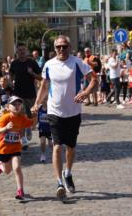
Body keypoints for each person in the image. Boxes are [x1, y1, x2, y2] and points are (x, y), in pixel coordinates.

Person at [31, 35, 97, 200]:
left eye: (64, 46)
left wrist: (86, 92)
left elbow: (94, 79)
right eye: (59, 47)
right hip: (54, 112)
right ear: (55, 48)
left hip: (73, 112)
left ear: (70, 47)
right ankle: (59, 182)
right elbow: (44, 85)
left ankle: (68, 172)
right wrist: (37, 103)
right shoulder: (49, 64)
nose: (61, 49)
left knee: (71, 147)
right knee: (57, 146)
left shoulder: (77, 63)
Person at [0, 96, 34, 201]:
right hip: (3, 149)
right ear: (8, 106)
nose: (16, 106)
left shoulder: (21, 118)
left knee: (17, 168)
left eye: (18, 104)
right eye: (14, 104)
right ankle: (0, 166)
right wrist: (6, 128)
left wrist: (35, 114)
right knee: (7, 171)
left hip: (16, 148)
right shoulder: (5, 118)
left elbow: (32, 124)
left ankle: (20, 190)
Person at [10, 42, 41, 110]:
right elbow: (11, 73)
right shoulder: (14, 63)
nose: (22, 51)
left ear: (26, 51)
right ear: (17, 52)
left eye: (23, 49)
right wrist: (11, 82)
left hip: (30, 95)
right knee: (19, 116)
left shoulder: (32, 62)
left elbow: (40, 78)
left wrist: (32, 73)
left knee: (31, 116)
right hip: (17, 95)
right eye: (20, 50)